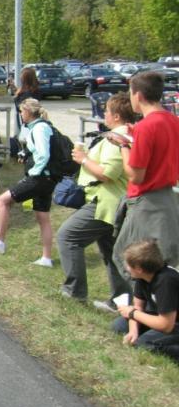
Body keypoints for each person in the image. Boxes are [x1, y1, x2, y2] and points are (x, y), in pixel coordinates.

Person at [102, 71, 179, 310]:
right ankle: (151, 310)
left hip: (146, 199)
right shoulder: (172, 120)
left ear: (138, 95)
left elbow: (136, 175)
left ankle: (152, 310)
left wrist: (123, 146)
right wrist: (134, 136)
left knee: (127, 256)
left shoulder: (146, 127)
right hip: (167, 196)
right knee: (158, 256)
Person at [57, 93, 134, 303]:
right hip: (113, 202)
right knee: (112, 252)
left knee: (68, 237)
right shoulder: (126, 135)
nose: (103, 114)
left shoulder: (118, 139)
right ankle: (121, 301)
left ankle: (74, 291)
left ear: (116, 116)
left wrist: (83, 159)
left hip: (106, 202)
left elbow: (108, 173)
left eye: (107, 111)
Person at [0, 98, 56, 266]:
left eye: (21, 111)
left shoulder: (39, 128)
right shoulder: (42, 126)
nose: (20, 114)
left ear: (28, 112)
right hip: (48, 178)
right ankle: (46, 258)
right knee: (42, 217)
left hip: (39, 177)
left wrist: (33, 172)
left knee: (2, 200)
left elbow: (44, 154)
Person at [112, 240, 179, 363]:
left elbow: (166, 325)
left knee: (144, 344)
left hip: (172, 323)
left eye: (128, 265)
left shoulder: (166, 281)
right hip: (162, 319)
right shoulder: (142, 277)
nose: (126, 268)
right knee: (119, 326)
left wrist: (132, 313)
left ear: (138, 268)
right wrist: (133, 331)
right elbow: (138, 306)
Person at [11, 67, 40, 155]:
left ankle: (25, 154)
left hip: (26, 119)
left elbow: (20, 106)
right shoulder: (35, 90)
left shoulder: (27, 93)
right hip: (32, 118)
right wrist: (15, 88)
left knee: (26, 137)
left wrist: (16, 95)